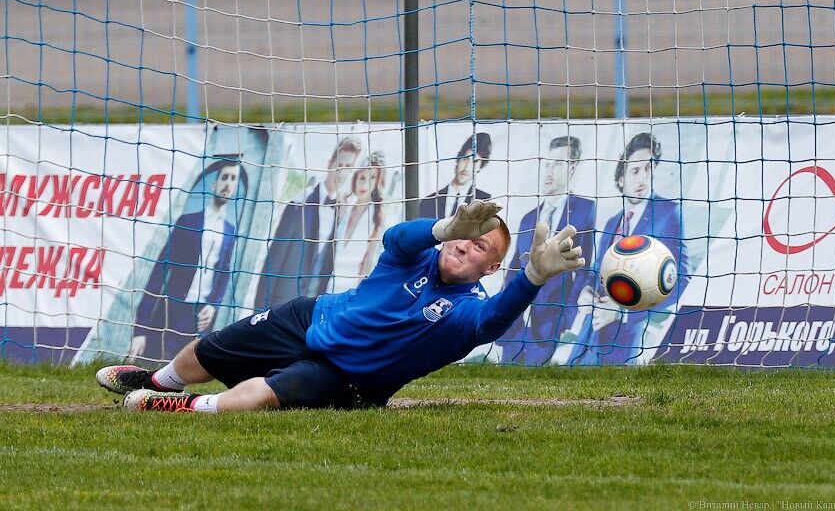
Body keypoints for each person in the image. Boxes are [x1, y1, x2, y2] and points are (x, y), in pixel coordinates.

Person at [95, 201, 585, 412]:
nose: (463, 245)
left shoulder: (466, 311)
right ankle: (158, 383)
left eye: (479, 246)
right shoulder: (412, 256)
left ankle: (179, 407)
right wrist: (443, 228)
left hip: (348, 378)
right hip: (312, 318)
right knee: (208, 349)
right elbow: (396, 237)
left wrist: (533, 277)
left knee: (266, 396)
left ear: (492, 268)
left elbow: (494, 322)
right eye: (464, 236)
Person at [568, 132, 691, 365]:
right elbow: (598, 270)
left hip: (628, 339)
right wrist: (586, 292)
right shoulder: (612, 222)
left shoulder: (668, 213)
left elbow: (682, 278)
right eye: (635, 171)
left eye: (648, 168)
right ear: (621, 179)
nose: (643, 177)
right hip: (590, 334)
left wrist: (623, 312)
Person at [498, 136, 595, 365]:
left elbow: (586, 268)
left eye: (558, 164)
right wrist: (504, 314)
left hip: (555, 327)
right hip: (516, 328)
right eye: (547, 164)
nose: (550, 171)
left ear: (572, 167)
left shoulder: (586, 210)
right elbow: (513, 270)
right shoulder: (528, 218)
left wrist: (569, 317)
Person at [130, 161, 240, 363]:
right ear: (214, 184)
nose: (228, 183)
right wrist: (140, 329)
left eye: (233, 179)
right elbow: (159, 271)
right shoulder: (187, 222)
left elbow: (224, 273)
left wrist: (213, 304)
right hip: (174, 309)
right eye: (224, 177)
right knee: (158, 366)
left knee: (193, 369)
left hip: (202, 316)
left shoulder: (230, 230)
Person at [254, 136, 361, 310]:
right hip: (284, 306)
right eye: (339, 165)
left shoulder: (343, 212)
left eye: (348, 167)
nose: (341, 173)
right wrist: (260, 313)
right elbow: (272, 264)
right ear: (330, 163)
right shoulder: (298, 205)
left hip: (314, 310)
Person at [330, 152, 388, 292]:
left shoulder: (376, 218)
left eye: (372, 178)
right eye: (362, 177)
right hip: (324, 278)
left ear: (378, 181)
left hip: (348, 287)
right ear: (355, 178)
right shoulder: (343, 205)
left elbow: (367, 263)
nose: (364, 184)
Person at [419, 133, 492, 219]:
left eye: (475, 162)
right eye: (465, 159)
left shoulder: (484, 201)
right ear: (458, 159)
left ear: (480, 167)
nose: (466, 167)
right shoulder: (429, 202)